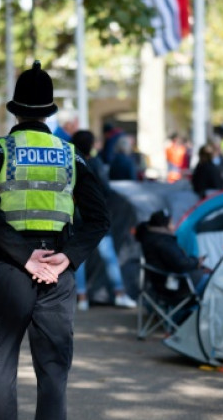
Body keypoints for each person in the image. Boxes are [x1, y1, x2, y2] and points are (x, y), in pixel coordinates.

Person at [0, 60, 109, 420]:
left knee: (2, 365)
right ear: (50, 112)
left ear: (15, 111)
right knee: (53, 372)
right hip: (58, 270)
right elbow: (99, 218)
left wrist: (23, 256)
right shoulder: (71, 155)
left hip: (11, 267)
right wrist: (68, 258)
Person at [71, 129, 137, 310]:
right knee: (109, 256)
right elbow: (105, 189)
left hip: (76, 215)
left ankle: (82, 297)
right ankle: (119, 293)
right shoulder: (96, 163)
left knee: (79, 258)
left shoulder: (67, 161)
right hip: (96, 215)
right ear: (91, 145)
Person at [135, 209, 211, 300]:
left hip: (164, 282)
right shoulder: (163, 242)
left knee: (206, 275)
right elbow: (180, 264)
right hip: (172, 285)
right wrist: (196, 262)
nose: (173, 226)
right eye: (171, 223)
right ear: (164, 226)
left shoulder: (150, 237)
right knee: (211, 281)